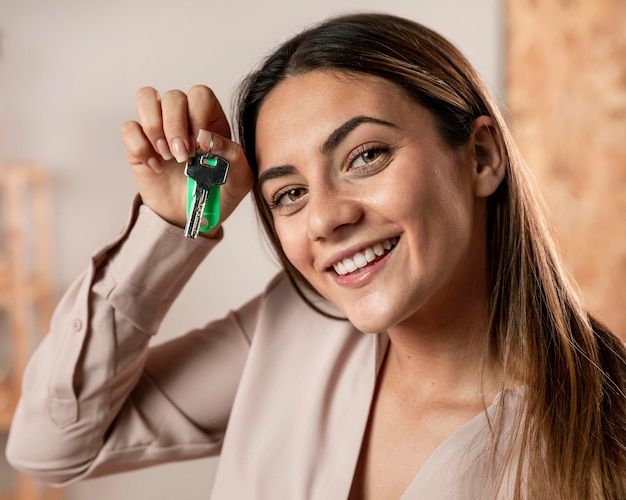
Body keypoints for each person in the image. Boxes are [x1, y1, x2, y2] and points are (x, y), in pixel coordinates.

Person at [5, 12, 626, 500]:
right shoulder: (298, 329)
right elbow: (49, 446)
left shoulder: (602, 441)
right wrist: (182, 218)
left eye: (365, 156)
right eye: (291, 194)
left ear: (482, 158)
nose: (327, 218)